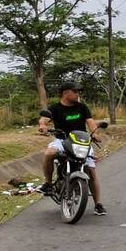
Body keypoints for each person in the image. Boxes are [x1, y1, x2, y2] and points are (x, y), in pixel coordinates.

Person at [38, 81, 106, 216]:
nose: (77, 94)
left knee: (91, 171)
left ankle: (98, 204)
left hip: (81, 141)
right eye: (75, 91)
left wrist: (94, 133)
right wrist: (43, 126)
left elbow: (90, 122)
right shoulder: (55, 108)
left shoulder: (82, 107)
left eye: (78, 91)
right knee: (49, 153)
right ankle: (48, 184)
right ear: (65, 93)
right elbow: (44, 119)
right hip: (62, 141)